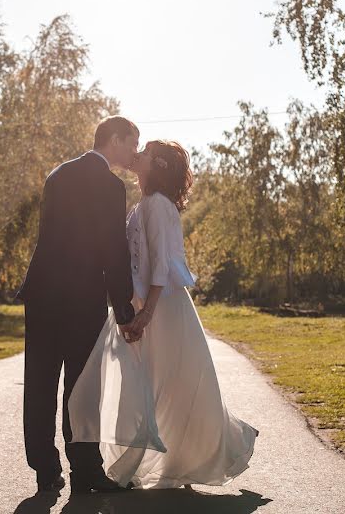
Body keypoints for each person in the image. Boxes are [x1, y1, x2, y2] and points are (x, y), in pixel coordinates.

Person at [68, 139, 258, 489]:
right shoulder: (146, 204)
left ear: (159, 166)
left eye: (145, 152)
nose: (136, 154)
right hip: (149, 304)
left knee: (167, 386)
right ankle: (169, 460)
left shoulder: (156, 205)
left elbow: (160, 265)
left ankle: (181, 459)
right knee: (157, 385)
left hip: (161, 307)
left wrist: (146, 314)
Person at [16, 116, 142, 495]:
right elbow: (113, 251)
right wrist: (124, 309)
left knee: (39, 385)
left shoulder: (57, 175)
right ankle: (86, 469)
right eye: (133, 142)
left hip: (41, 296)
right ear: (115, 139)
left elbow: (49, 237)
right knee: (82, 388)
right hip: (81, 299)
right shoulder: (110, 185)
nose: (135, 151)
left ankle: (45, 471)